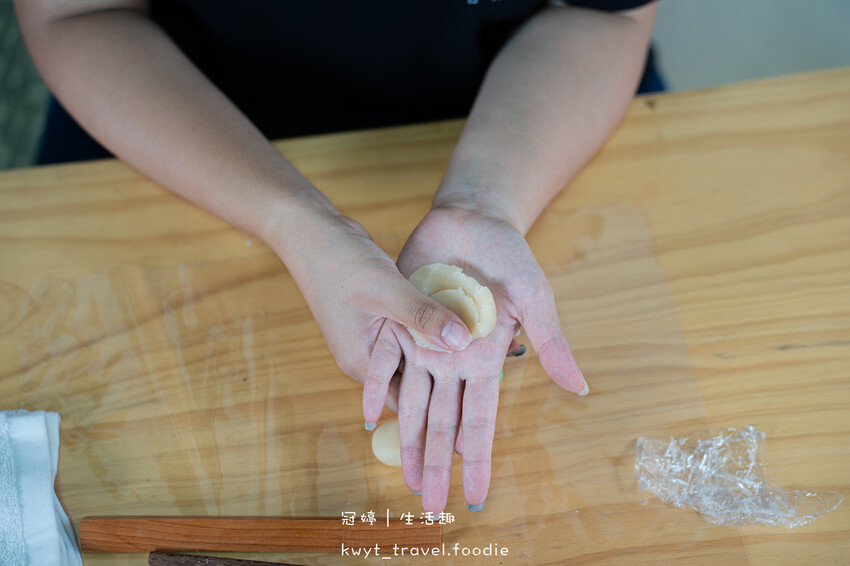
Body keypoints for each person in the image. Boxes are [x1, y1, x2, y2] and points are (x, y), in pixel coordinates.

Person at [16, 0, 659, 514]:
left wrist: (485, 199)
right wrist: (297, 223)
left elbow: (605, 11)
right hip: (183, 118)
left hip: (528, 111)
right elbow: (75, 15)